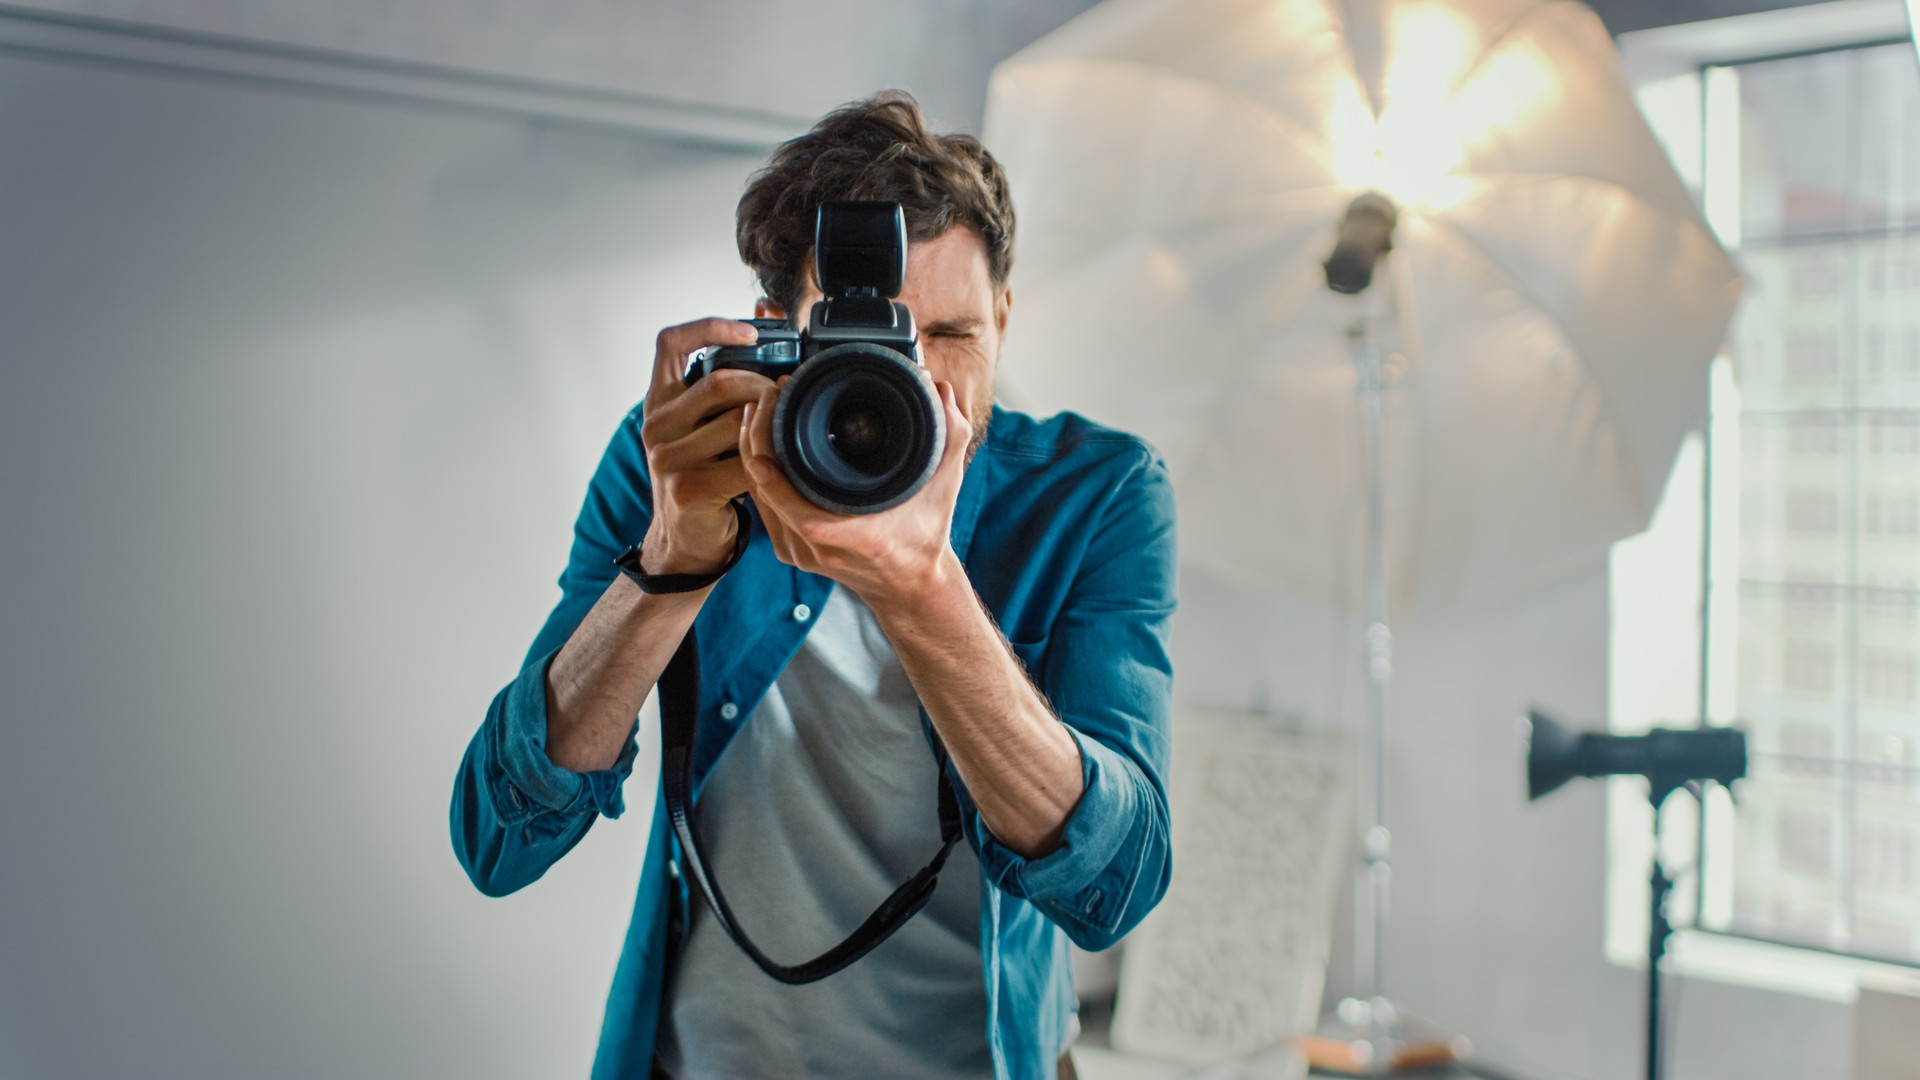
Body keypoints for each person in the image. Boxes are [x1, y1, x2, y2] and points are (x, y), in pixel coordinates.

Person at [450, 90, 1177, 1080]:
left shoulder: (1096, 495)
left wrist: (922, 587)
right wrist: (671, 563)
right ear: (771, 335)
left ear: (1005, 319)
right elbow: (500, 838)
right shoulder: (681, 462)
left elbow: (1115, 889)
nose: (913, 387)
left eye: (950, 339)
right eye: (864, 345)